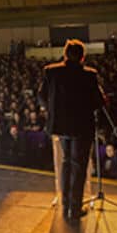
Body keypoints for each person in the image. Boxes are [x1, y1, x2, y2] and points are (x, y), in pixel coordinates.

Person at [38, 39, 106, 222]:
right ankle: (74, 209)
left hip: (60, 126)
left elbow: (41, 97)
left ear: (65, 54)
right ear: (83, 56)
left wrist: (53, 111)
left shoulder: (51, 72)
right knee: (79, 166)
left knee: (66, 163)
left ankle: (65, 204)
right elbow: (99, 102)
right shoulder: (89, 75)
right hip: (82, 127)